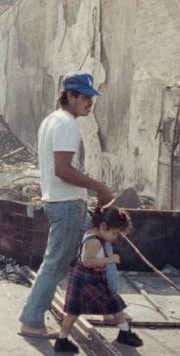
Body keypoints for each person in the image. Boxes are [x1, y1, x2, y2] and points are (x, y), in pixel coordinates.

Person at [19, 71, 114, 340]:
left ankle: (110, 308)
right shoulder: (67, 125)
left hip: (68, 203)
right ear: (69, 95)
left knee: (101, 248)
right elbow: (63, 169)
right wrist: (100, 187)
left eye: (91, 97)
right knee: (56, 264)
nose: (90, 103)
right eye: (84, 97)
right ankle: (31, 320)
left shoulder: (51, 121)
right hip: (67, 205)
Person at [54, 206, 143, 350]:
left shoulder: (93, 234)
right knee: (74, 312)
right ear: (103, 226)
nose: (115, 238)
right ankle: (61, 341)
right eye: (114, 233)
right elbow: (87, 262)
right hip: (87, 280)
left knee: (114, 303)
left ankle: (124, 333)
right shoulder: (94, 241)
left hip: (91, 279)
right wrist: (110, 260)